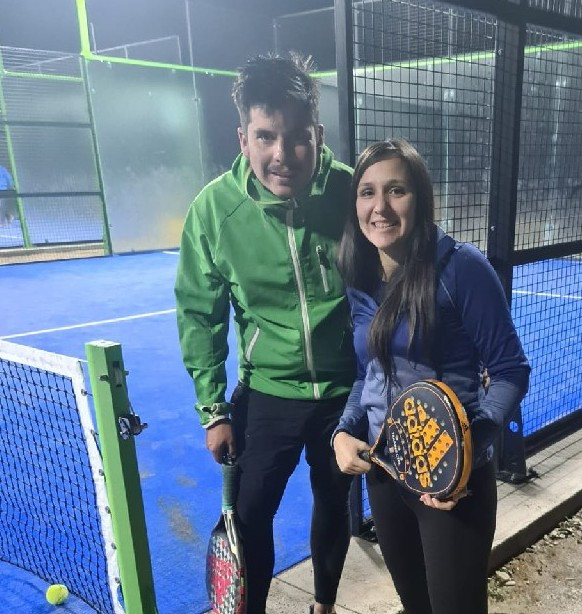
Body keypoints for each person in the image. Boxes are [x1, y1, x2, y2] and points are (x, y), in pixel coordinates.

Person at [174, 54, 356, 614]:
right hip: (269, 392)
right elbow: (200, 314)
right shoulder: (214, 211)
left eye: (298, 137)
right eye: (266, 136)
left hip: (345, 392)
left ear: (318, 135)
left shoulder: (352, 192)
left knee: (335, 501)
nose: (283, 154)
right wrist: (214, 411)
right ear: (243, 139)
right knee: (251, 515)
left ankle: (324, 605)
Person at [332, 138, 530, 614]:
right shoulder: (360, 277)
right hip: (385, 473)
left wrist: (466, 452)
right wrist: (344, 430)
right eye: (367, 192)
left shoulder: (462, 268)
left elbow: (510, 370)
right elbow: (367, 374)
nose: (380, 207)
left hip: (451, 487)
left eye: (396, 190)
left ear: (420, 198)